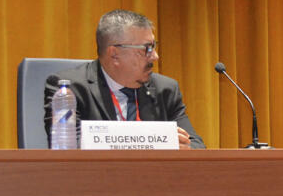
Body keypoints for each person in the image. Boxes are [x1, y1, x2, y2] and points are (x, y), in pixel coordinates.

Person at [43, 9, 205, 149]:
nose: (155, 57)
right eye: (146, 49)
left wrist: (184, 147)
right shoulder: (70, 89)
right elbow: (70, 149)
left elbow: (197, 145)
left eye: (154, 47)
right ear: (114, 54)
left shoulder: (166, 89)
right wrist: (152, 142)